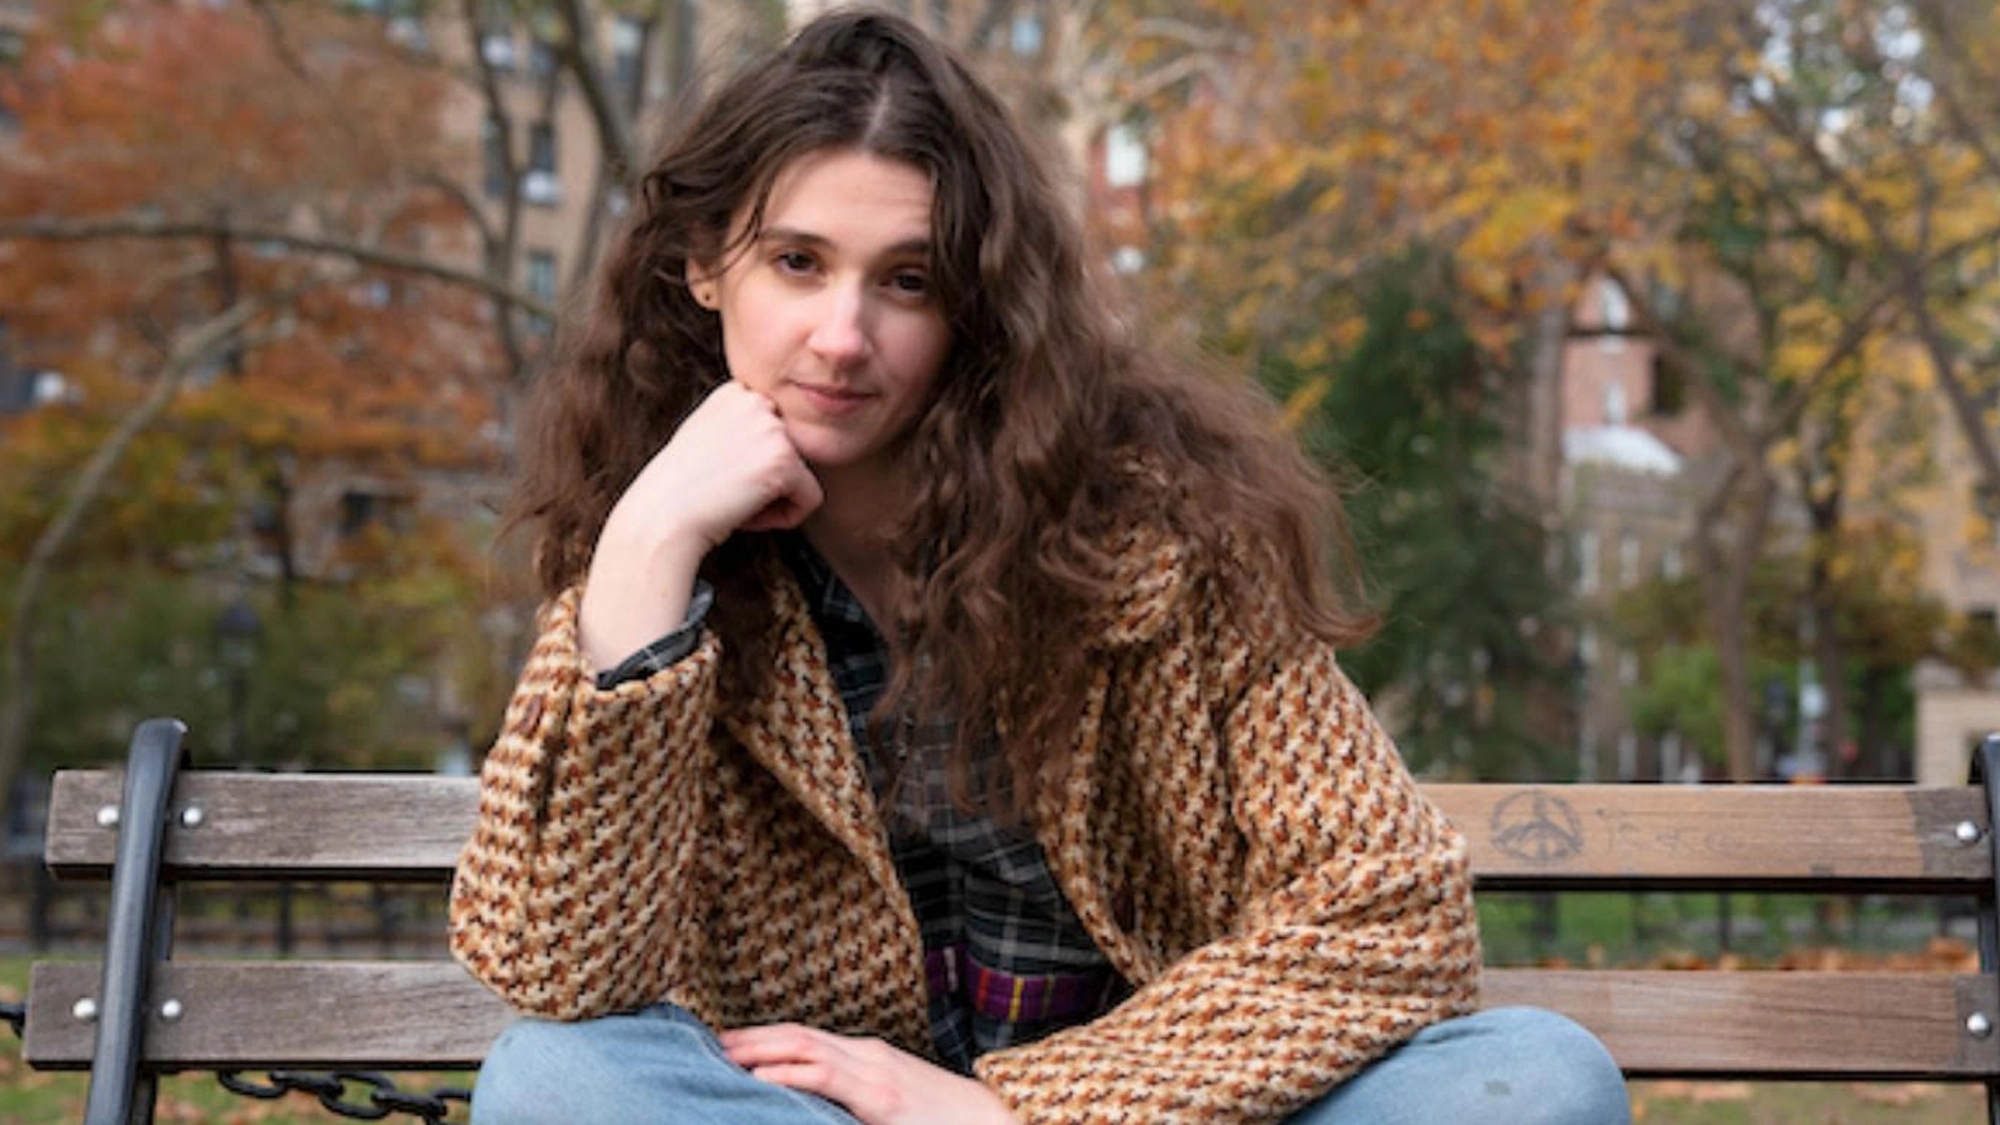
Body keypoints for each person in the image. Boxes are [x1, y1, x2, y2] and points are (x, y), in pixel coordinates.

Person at [449, 8, 1630, 1125]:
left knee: (1532, 1078)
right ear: (706, 268)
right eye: (797, 262)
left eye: (905, 281)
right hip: (807, 1113)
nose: (842, 336)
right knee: (557, 1083)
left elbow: (1393, 910)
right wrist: (647, 559)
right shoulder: (651, 542)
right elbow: (559, 969)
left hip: (1141, 1106)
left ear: (974, 303)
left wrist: (1017, 1104)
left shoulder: (1157, 536)